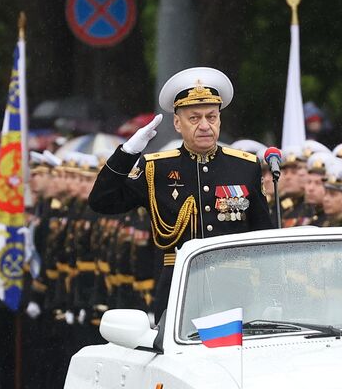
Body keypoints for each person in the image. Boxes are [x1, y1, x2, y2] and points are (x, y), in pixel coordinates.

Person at [87, 67, 273, 315]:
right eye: (194, 118)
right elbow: (102, 201)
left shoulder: (245, 165)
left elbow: (263, 234)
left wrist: (272, 292)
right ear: (177, 123)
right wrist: (127, 153)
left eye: (211, 117)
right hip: (180, 289)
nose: (205, 125)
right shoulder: (157, 168)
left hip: (234, 290)